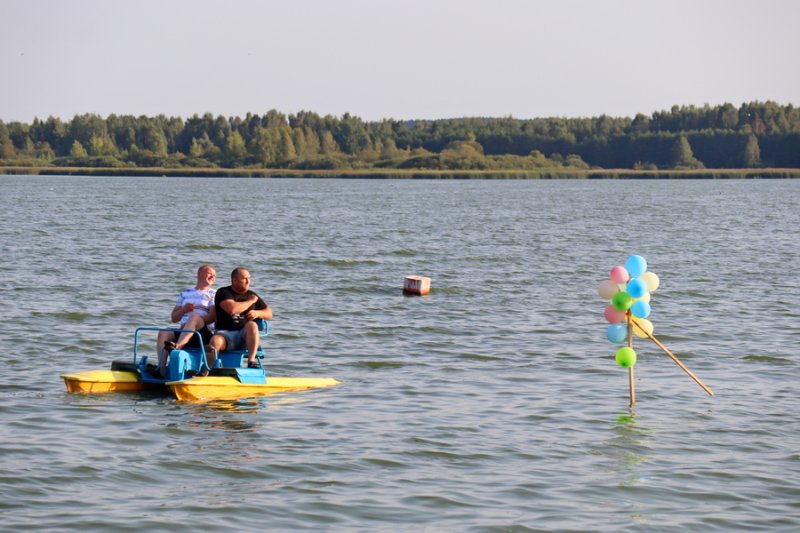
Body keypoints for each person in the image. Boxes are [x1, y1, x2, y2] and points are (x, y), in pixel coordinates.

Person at [204, 267, 272, 372]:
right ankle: (206, 371)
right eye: (244, 278)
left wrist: (257, 313)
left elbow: (269, 313)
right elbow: (232, 309)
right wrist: (250, 302)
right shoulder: (223, 292)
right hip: (225, 335)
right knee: (215, 341)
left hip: (244, 336)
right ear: (234, 280)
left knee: (252, 325)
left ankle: (251, 361)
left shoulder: (252, 295)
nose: (248, 281)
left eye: (249, 278)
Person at [155, 264, 217, 378]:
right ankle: (161, 369)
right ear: (199, 274)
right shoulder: (185, 293)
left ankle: (178, 347)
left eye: (214, 275)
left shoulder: (213, 293)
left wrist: (195, 320)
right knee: (163, 333)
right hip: (184, 330)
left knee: (193, 317)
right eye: (210, 273)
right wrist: (184, 310)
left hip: (202, 332)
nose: (213, 276)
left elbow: (213, 316)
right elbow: (174, 318)